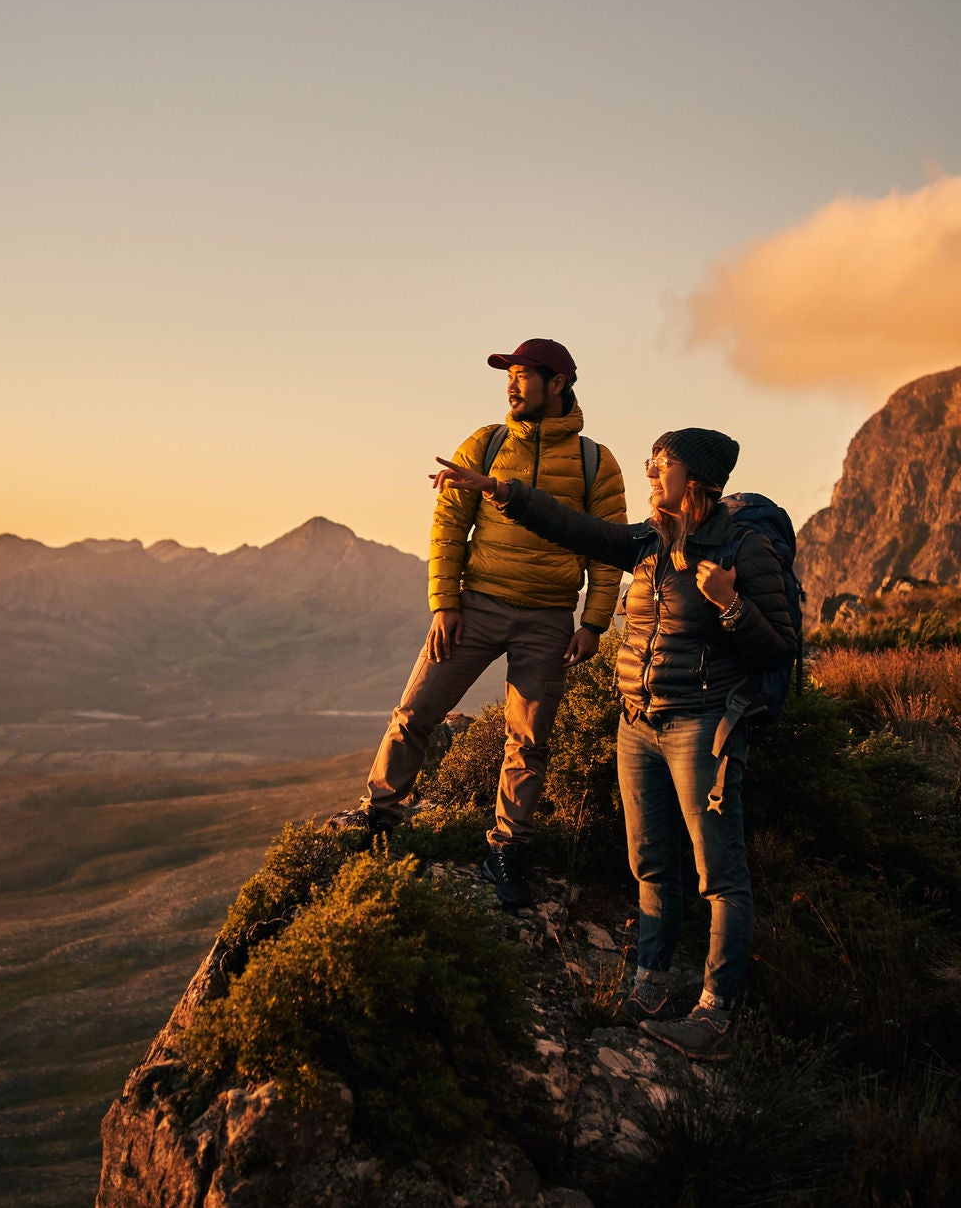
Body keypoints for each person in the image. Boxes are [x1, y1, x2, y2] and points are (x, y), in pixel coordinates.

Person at [430, 428, 794, 1062]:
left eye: (663, 466)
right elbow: (576, 529)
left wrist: (729, 604)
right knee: (650, 861)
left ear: (698, 481)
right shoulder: (648, 541)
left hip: (701, 725)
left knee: (720, 875)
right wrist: (501, 492)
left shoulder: (743, 548)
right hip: (638, 725)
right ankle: (651, 985)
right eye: (651, 464)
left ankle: (715, 1013)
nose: (652, 474)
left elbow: (780, 647)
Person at [327, 339, 627, 910]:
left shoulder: (596, 462)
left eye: (521, 375)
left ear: (558, 383)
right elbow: (448, 525)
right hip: (476, 607)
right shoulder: (486, 445)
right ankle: (380, 815)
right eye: (507, 376)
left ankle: (508, 848)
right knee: (416, 712)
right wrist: (445, 603)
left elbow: (608, 548)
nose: (511, 385)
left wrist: (593, 622)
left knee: (529, 741)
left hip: (549, 620)